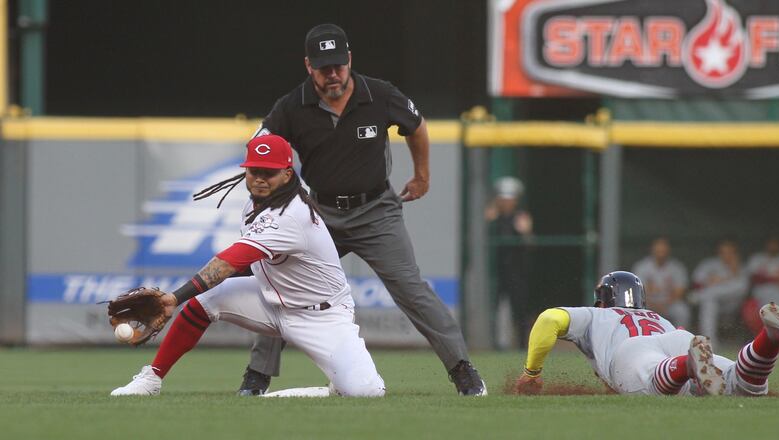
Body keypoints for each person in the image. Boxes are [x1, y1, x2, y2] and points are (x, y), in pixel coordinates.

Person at [239, 23, 485, 396]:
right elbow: (261, 146)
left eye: (338, 64)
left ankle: (462, 369)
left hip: (376, 211)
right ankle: (257, 376)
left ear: (349, 59)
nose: (333, 73)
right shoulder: (293, 105)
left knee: (411, 289)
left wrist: (422, 176)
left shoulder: (379, 94)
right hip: (319, 213)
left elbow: (416, 127)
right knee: (284, 285)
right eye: (324, 67)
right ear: (309, 66)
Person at [110, 135, 385, 397]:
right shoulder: (256, 204)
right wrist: (189, 297)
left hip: (321, 315)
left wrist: (174, 298)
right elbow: (243, 264)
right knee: (205, 302)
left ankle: (334, 388)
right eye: (255, 171)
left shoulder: (290, 215)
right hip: (272, 300)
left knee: (366, 391)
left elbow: (231, 261)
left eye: (270, 172)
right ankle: (151, 379)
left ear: (287, 174)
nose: (260, 179)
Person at [514, 271, 779, 397]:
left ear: (602, 300)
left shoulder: (597, 314)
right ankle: (768, 339)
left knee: (652, 383)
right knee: (739, 386)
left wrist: (532, 372)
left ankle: (687, 364)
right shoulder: (658, 317)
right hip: (681, 339)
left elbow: (549, 318)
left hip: (633, 350)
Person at [484, 176, 533, 348]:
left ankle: (522, 344)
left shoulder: (521, 218)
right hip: (494, 271)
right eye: (503, 199)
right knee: (492, 307)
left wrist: (525, 233)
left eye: (510, 199)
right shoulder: (491, 217)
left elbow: (528, 244)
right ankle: (491, 344)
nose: (506, 203)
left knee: (519, 308)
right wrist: (489, 221)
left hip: (516, 271)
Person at [687, 239, 749, 347]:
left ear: (735, 253)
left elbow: (744, 289)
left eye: (730, 252)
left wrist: (726, 278)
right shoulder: (709, 264)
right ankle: (710, 343)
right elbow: (697, 282)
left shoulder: (740, 267)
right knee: (709, 303)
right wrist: (709, 281)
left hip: (733, 304)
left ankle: (700, 296)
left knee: (739, 285)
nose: (727, 255)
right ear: (719, 252)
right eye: (724, 252)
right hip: (715, 303)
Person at [632, 237, 691, 329]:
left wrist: (665, 305)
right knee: (635, 310)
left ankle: (680, 338)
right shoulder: (642, 266)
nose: (661, 253)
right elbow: (638, 291)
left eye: (663, 250)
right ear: (652, 250)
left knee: (682, 310)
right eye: (658, 250)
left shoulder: (676, 267)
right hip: (648, 303)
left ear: (668, 251)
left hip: (669, 304)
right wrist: (653, 304)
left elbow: (680, 292)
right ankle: (640, 337)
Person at [742, 235, 779, 335]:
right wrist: (775, 278)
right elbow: (752, 278)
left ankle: (778, 336)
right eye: (771, 244)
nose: (773, 246)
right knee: (768, 309)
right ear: (766, 245)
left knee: (777, 308)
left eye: (775, 244)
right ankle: (771, 336)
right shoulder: (757, 258)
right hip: (762, 292)